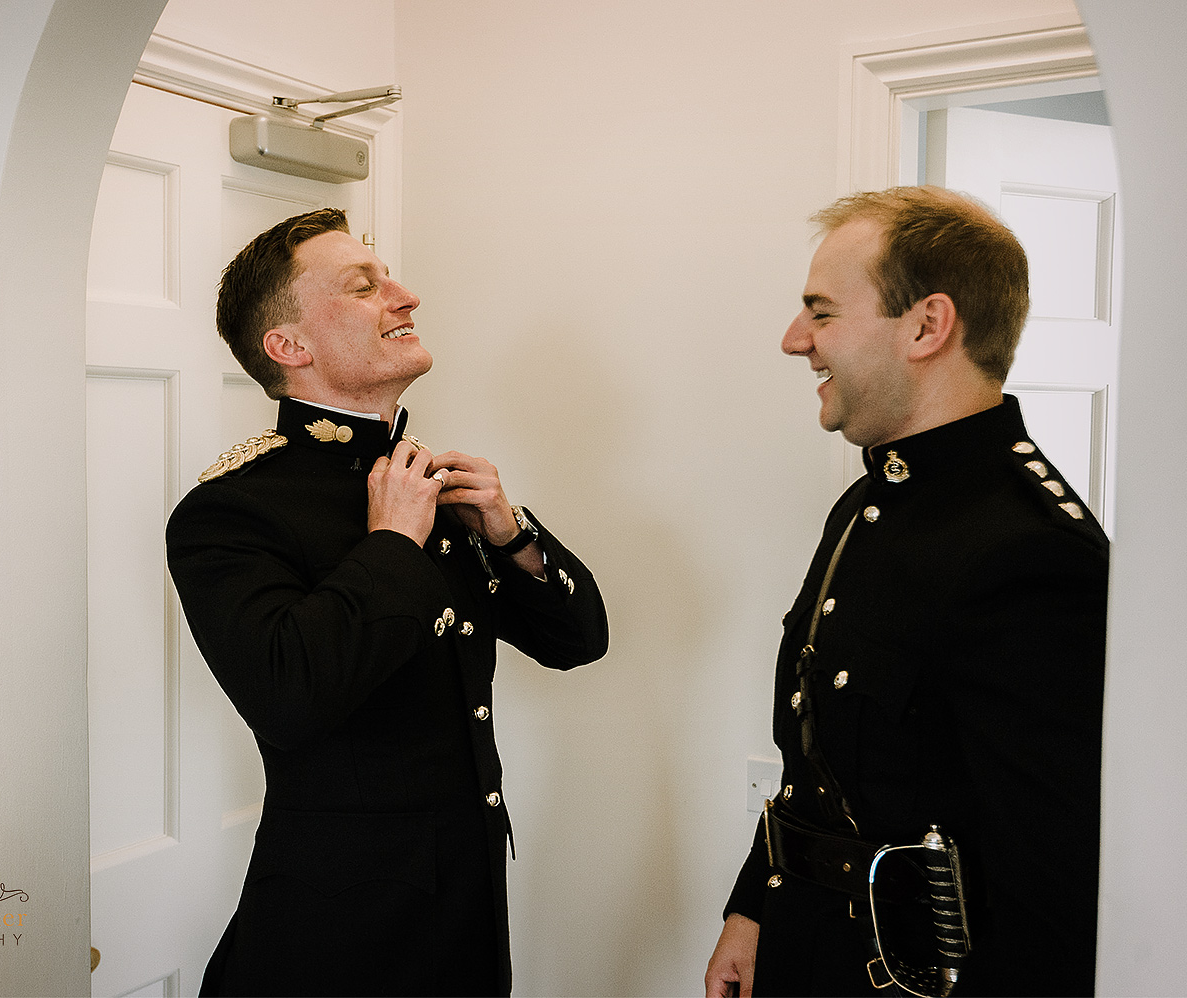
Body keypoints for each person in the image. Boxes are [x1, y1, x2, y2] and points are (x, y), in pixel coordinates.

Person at [167, 208, 608, 997]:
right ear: (289, 347)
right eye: (364, 287)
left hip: (466, 912)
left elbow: (577, 640)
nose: (405, 297)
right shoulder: (232, 511)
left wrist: (510, 533)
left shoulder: (423, 481)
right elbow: (288, 696)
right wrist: (392, 547)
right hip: (335, 933)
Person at [705, 187, 1108, 997]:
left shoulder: (1033, 549)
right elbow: (815, 758)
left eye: (821, 312)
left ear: (927, 325)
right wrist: (754, 910)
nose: (795, 341)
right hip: (808, 946)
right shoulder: (869, 501)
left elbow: (1054, 890)